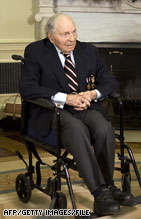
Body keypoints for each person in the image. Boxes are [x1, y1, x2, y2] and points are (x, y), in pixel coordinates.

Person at [19, 14, 132, 216]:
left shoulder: (88, 51)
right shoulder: (36, 51)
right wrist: (66, 98)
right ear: (51, 36)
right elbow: (27, 89)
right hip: (50, 111)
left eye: (73, 32)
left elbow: (110, 82)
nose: (71, 38)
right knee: (75, 127)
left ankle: (108, 185)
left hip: (84, 107)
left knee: (103, 127)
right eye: (65, 34)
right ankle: (99, 192)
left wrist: (93, 93)